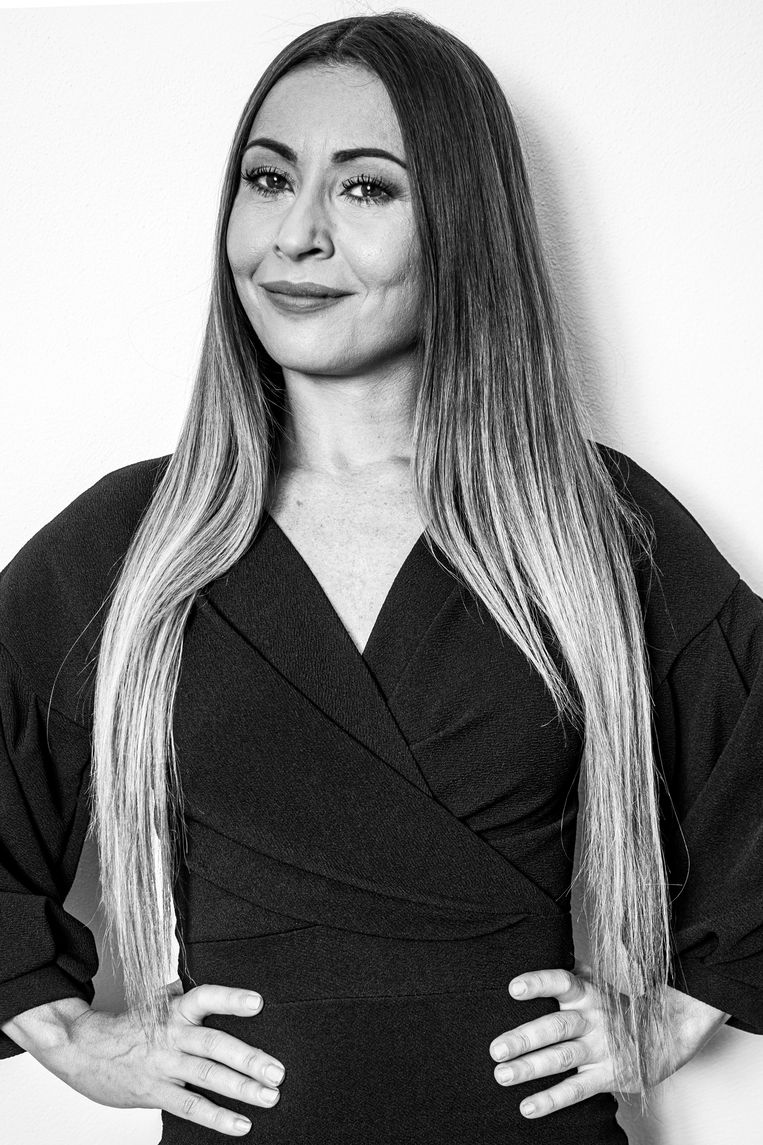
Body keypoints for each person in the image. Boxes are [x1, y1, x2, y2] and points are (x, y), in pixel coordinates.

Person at [0, 10, 761, 1144]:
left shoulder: (589, 525)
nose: (295, 234)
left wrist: (673, 1016)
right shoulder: (133, 539)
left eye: (364, 189)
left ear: (461, 225)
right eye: (268, 180)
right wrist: (68, 1033)